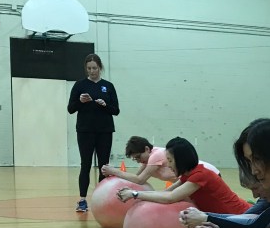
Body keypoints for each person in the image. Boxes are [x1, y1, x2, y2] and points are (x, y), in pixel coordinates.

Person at [115, 137, 248, 215]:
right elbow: (166, 192)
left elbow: (171, 197)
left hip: (241, 215)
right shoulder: (186, 176)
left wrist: (134, 194)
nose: (168, 165)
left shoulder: (200, 175)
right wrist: (137, 196)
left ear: (181, 160)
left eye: (170, 161)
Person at [68, 53, 119, 213]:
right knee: (85, 164)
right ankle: (82, 200)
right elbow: (70, 109)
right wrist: (80, 101)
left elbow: (116, 110)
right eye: (89, 68)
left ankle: (101, 200)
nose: (92, 71)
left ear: (100, 67)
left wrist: (105, 105)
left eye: (94, 68)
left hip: (105, 131)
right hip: (85, 131)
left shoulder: (108, 86)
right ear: (86, 68)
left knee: (104, 166)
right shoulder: (79, 85)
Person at [179, 167, 270, 228]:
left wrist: (205, 218)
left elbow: (252, 226)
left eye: (256, 188)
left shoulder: (200, 174)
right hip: (239, 214)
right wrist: (202, 216)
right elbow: (245, 218)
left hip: (237, 211)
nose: (255, 195)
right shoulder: (189, 175)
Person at [103, 136, 221, 186]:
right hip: (192, 178)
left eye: (138, 157)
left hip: (207, 172)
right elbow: (135, 178)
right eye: (135, 159)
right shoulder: (147, 159)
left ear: (147, 149)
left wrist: (114, 171)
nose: (138, 161)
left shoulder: (155, 155)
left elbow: (140, 180)